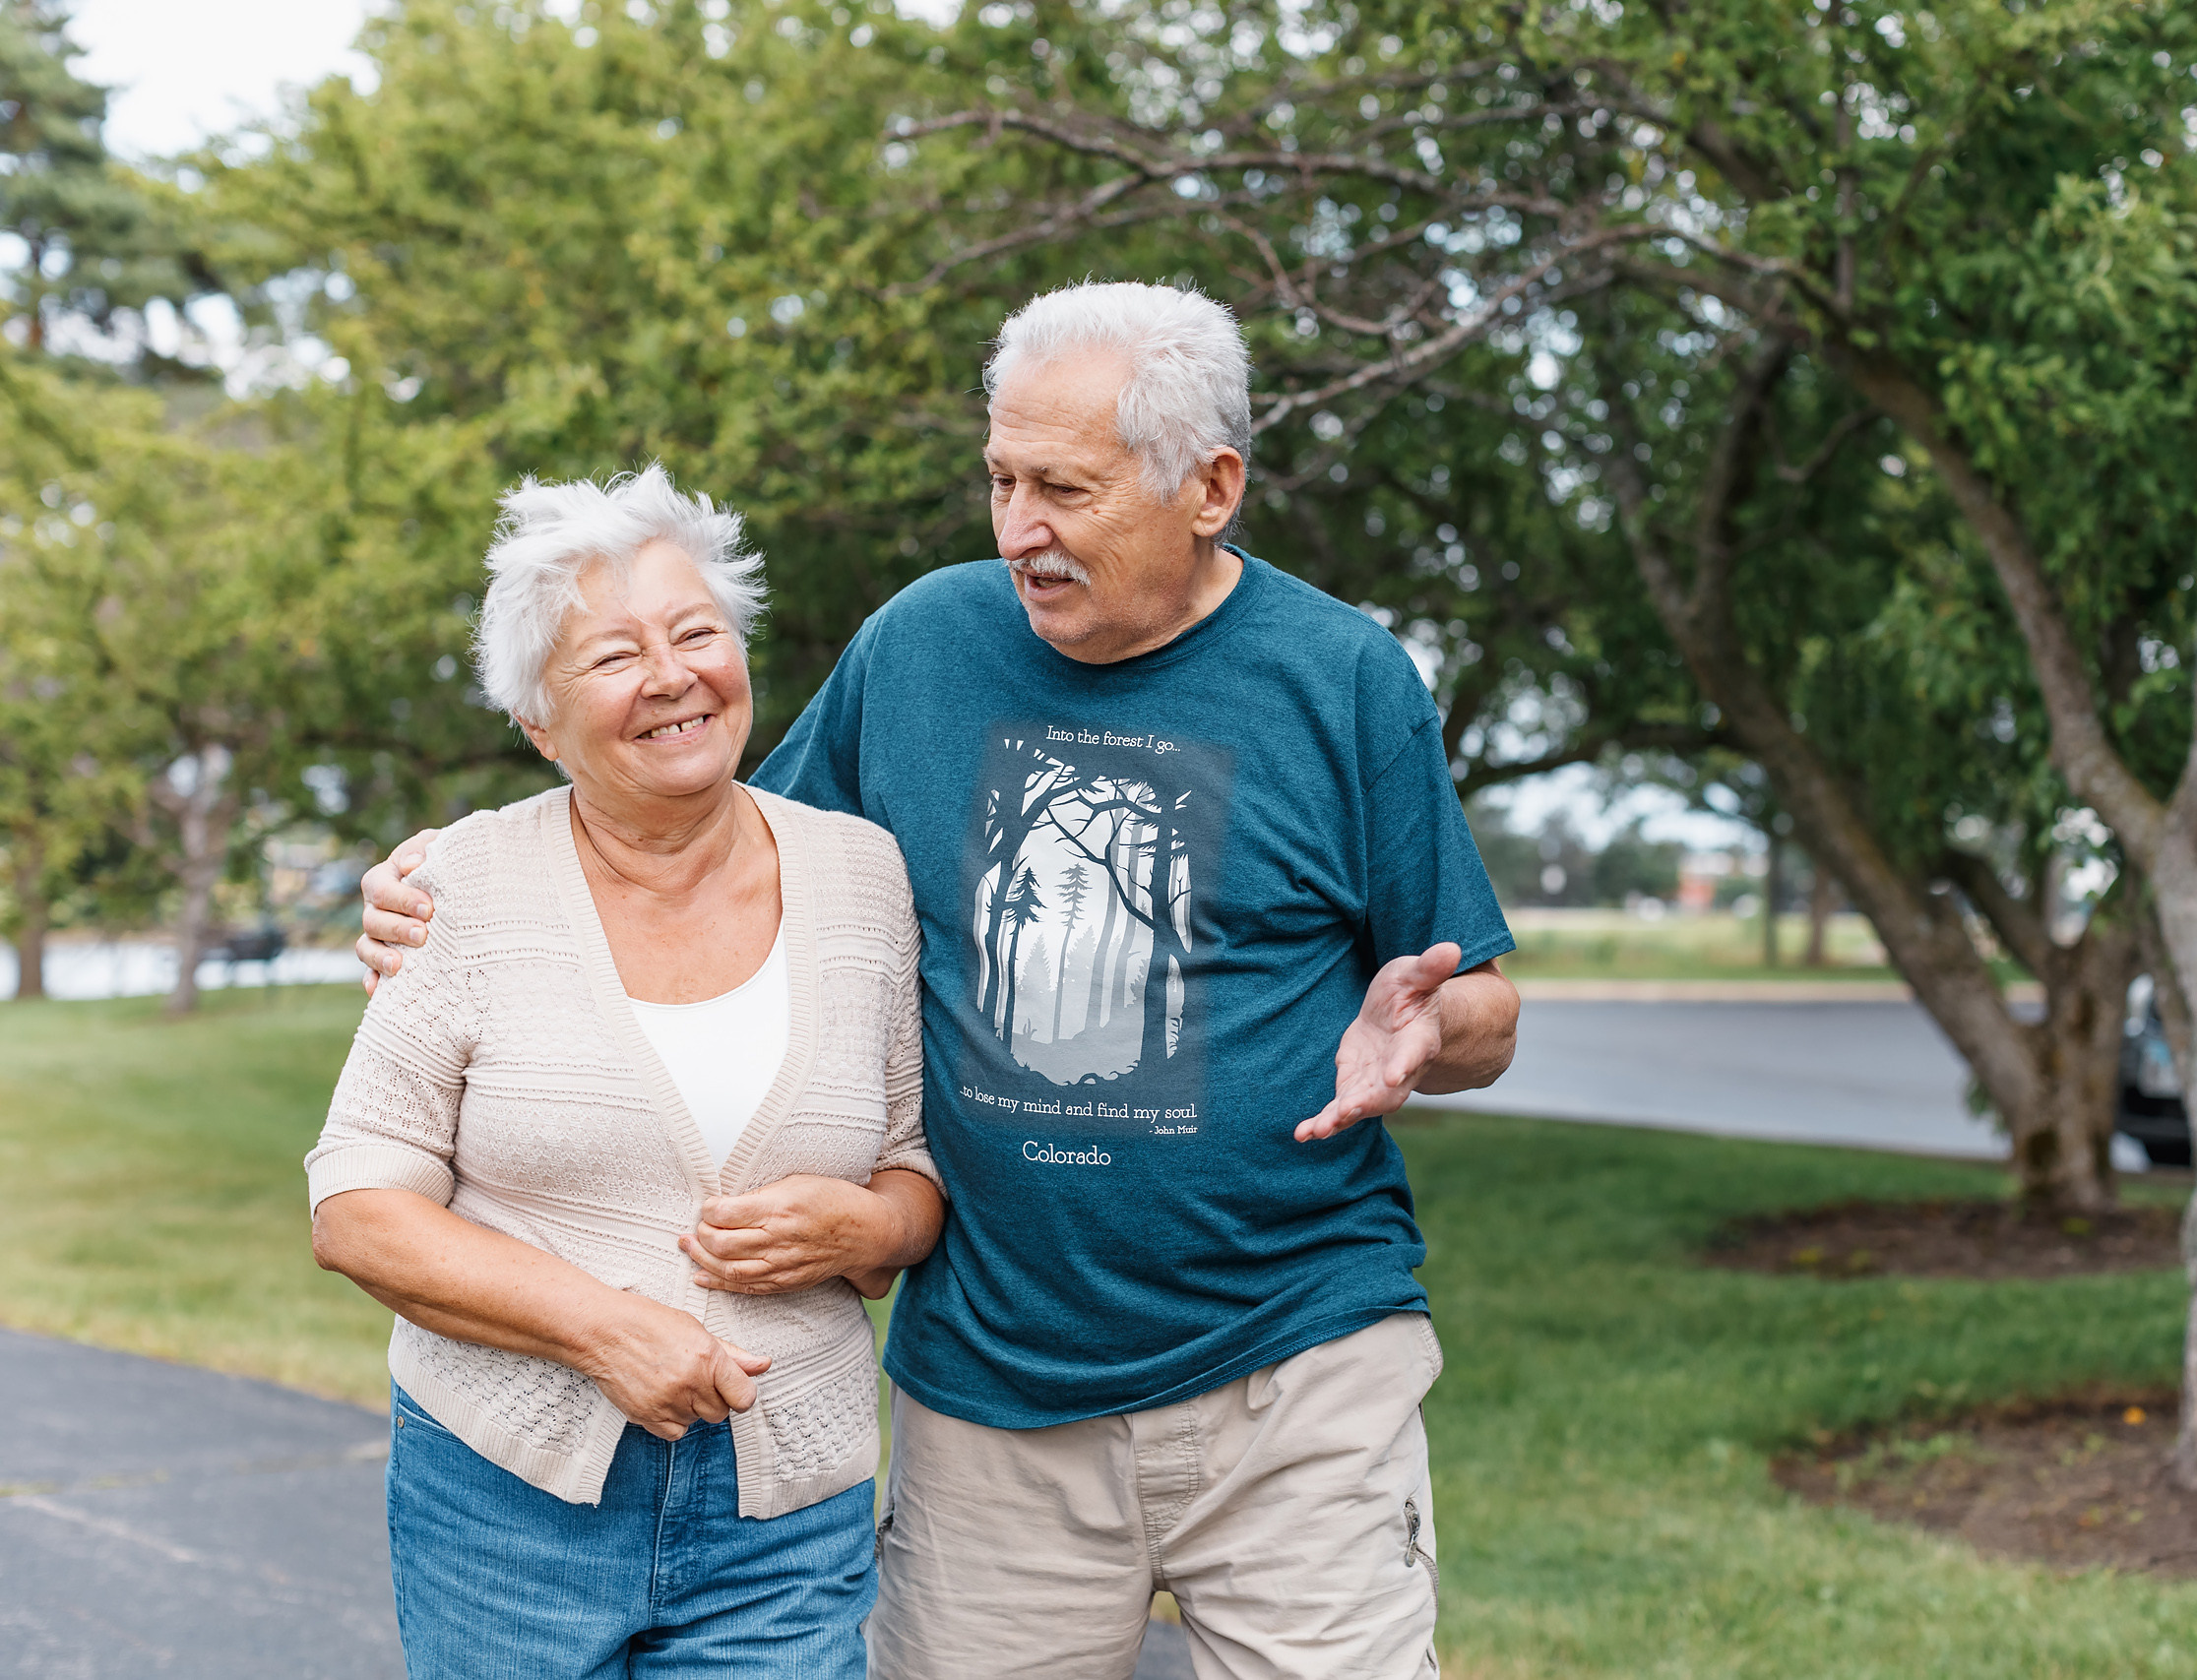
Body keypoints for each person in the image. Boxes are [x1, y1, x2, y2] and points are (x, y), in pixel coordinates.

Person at [358, 281, 1520, 1679]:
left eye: (1064, 489)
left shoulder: (1344, 676)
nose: (1018, 526)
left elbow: (1483, 1008)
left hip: (1298, 1358)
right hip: (994, 1384)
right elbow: (706, 836)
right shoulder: (919, 647)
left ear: (1211, 485)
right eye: (1000, 478)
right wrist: (458, 872)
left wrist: (1431, 1029)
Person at [310, 466, 942, 1679]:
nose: (670, 675)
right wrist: (600, 1330)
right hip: (505, 1499)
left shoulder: (863, 878)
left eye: (696, 632)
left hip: (785, 1509)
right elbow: (356, 1209)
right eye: (611, 657)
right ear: (539, 725)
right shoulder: (463, 888)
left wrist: (867, 1224)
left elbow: (913, 1170)